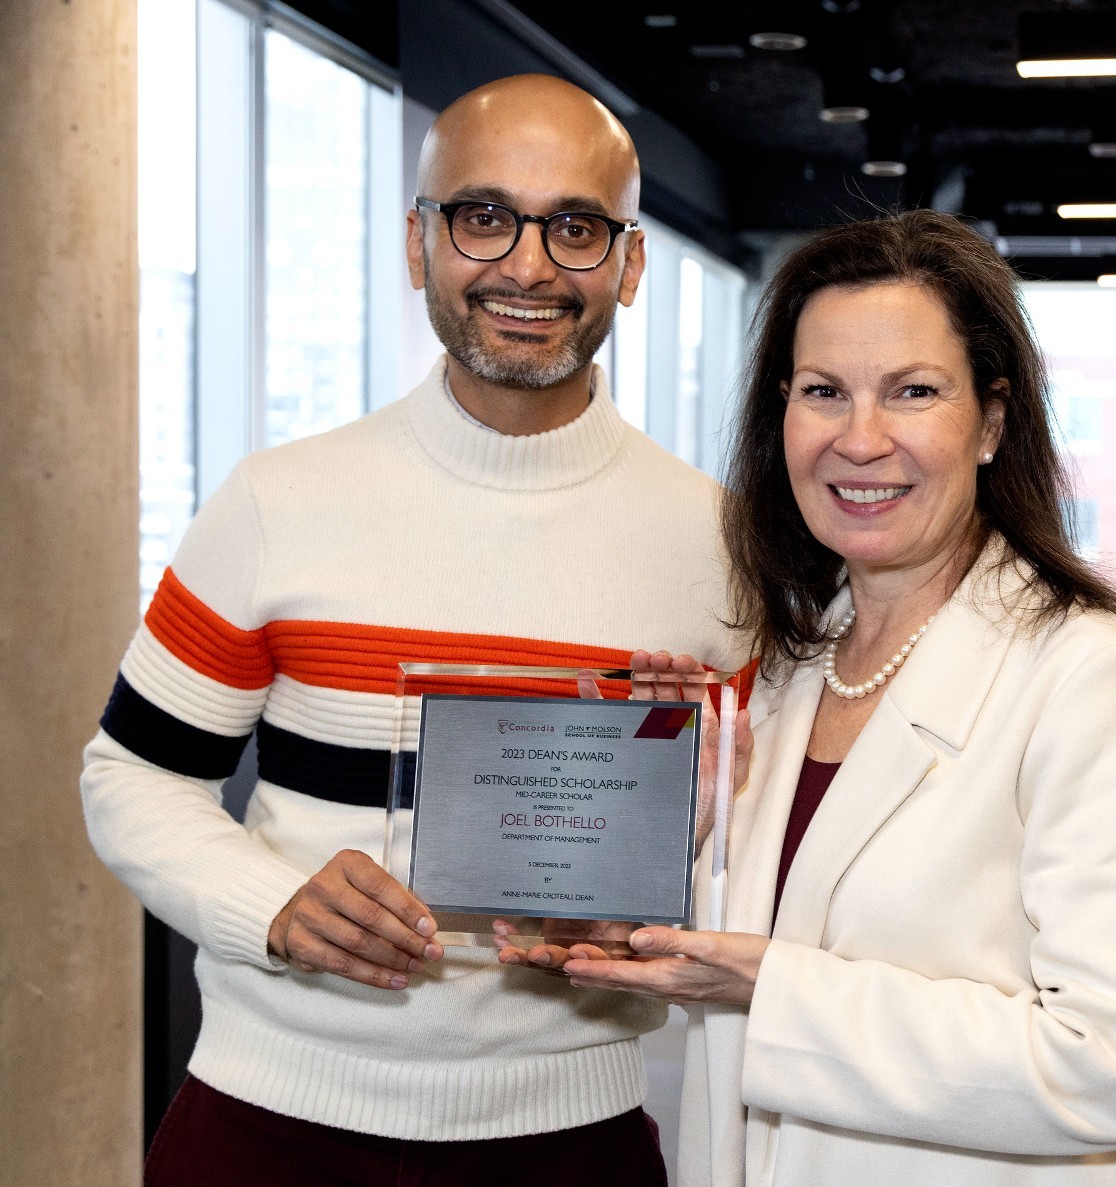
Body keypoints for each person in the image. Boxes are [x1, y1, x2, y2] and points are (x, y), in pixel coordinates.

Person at [81, 74, 746, 1186]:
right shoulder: (275, 501)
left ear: (628, 264)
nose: (527, 266)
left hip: (567, 1140)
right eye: (482, 216)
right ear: (418, 243)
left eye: (575, 227)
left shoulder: (718, 546)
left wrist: (692, 837)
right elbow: (131, 776)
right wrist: (272, 904)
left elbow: (750, 851)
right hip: (267, 1123)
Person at [552, 211, 1116, 1185]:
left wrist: (776, 991)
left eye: (911, 392)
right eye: (822, 392)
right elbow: (764, 944)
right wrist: (665, 863)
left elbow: (1111, 1063)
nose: (858, 439)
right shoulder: (784, 674)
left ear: (990, 419)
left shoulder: (1087, 680)